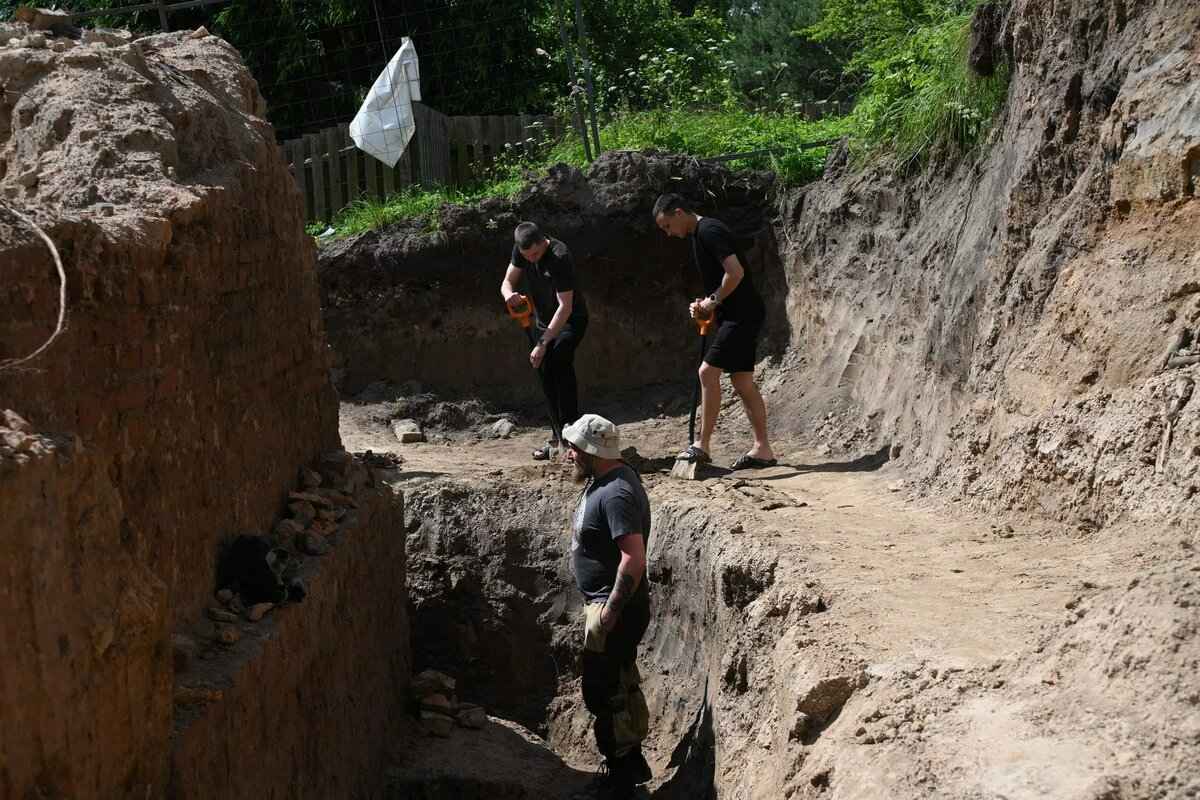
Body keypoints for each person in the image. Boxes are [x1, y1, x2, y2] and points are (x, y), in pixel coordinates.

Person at [562, 414, 653, 798]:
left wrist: (610, 613)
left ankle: (620, 781)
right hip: (606, 605)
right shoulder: (606, 480)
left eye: (575, 448)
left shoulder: (615, 493)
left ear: (593, 452)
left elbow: (633, 558)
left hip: (614, 609)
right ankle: (631, 762)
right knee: (617, 683)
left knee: (605, 691)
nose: (568, 454)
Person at [652, 193, 777, 470]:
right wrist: (706, 302)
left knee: (707, 372)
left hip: (741, 315)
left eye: (667, 226)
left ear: (679, 212)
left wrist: (712, 301)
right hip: (738, 314)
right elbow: (723, 280)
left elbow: (735, 272)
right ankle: (763, 449)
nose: (669, 234)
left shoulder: (709, 230)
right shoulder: (699, 235)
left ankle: (702, 445)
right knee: (742, 382)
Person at [501, 221, 589, 460]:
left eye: (536, 254)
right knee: (545, 372)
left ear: (543, 241)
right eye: (527, 256)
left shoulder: (559, 257)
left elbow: (565, 307)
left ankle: (573, 438)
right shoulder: (522, 251)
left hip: (571, 320)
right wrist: (510, 296)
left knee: (560, 361)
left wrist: (542, 344)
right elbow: (507, 282)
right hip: (542, 322)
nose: (532, 260)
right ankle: (556, 438)